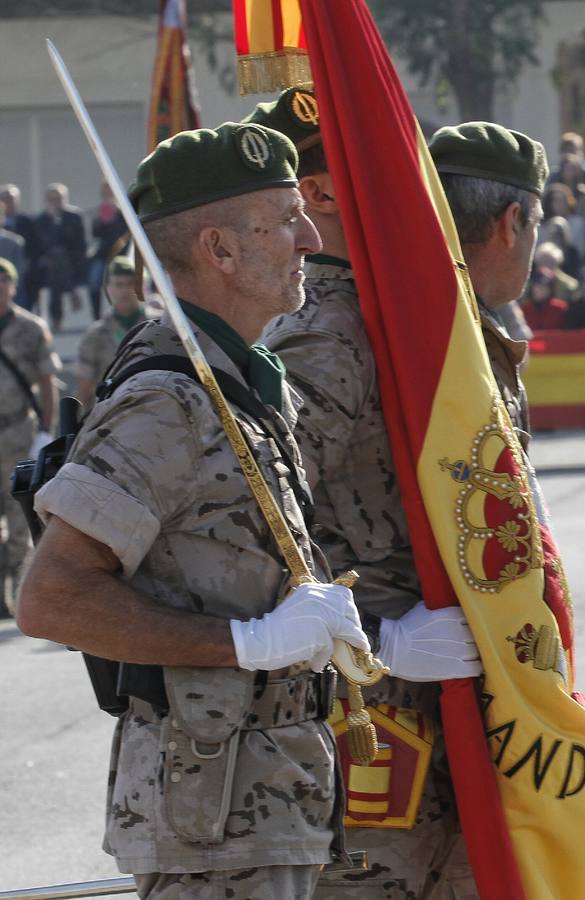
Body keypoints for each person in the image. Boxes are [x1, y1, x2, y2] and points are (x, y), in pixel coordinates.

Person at [15, 122, 370, 898]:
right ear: (218, 249)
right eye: (284, 219)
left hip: (268, 800)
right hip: (210, 819)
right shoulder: (166, 402)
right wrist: (248, 642)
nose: (310, 236)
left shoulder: (236, 385)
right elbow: (50, 597)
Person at [254, 96, 499, 896]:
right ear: (322, 193)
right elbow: (259, 534)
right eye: (395, 169)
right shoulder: (326, 334)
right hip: (371, 711)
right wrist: (376, 648)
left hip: (447, 688)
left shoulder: (392, 310)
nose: (416, 188)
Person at [0, 256, 58, 618]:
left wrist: (44, 432)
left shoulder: (31, 328)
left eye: (3, 282)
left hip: (18, 433)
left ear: (13, 286)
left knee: (19, 523)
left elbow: (47, 382)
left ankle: (16, 600)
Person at [73, 257, 154, 407]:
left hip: (155, 410)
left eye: (130, 284)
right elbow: (84, 387)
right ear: (108, 288)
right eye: (118, 284)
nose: (124, 290)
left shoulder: (159, 326)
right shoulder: (96, 335)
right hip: (111, 416)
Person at [27, 183, 86, 332]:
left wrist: (59, 222)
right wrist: (54, 221)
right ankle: (72, 291)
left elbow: (78, 242)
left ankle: (56, 319)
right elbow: (44, 244)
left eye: (59, 198)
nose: (56, 202)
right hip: (49, 262)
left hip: (72, 260)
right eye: (52, 199)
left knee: (57, 263)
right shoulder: (41, 220)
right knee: (55, 257)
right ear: (47, 201)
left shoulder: (74, 216)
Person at [88, 182, 130, 320]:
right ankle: (96, 317)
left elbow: (127, 232)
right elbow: (95, 233)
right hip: (103, 255)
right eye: (105, 192)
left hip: (122, 255)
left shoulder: (125, 211)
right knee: (94, 281)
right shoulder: (100, 212)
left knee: (124, 282)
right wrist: (102, 219)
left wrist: (118, 213)